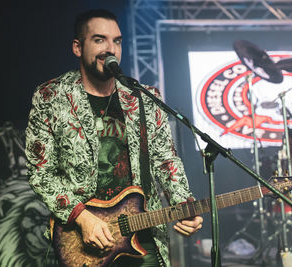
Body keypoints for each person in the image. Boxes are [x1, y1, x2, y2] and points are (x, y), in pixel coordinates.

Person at [25, 9, 202, 267]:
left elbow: (165, 160)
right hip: (80, 241)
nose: (111, 48)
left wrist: (183, 204)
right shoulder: (51, 97)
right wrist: (82, 217)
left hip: (143, 238)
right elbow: (41, 172)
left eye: (116, 41)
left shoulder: (143, 97)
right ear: (77, 47)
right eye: (99, 40)